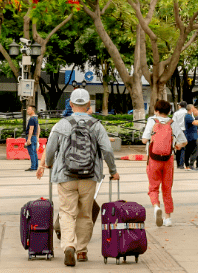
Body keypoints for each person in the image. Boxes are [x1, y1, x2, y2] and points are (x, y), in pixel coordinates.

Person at [37, 88, 118, 266]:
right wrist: (113, 171)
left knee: (67, 212)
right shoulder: (97, 125)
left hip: (65, 176)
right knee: (84, 213)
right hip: (89, 176)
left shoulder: (61, 124)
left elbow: (50, 148)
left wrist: (48, 163)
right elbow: (107, 150)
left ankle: (68, 246)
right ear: (89, 104)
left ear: (71, 104)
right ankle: (81, 251)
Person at [143, 99, 186, 226]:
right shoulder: (172, 123)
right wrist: (177, 146)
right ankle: (168, 218)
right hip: (168, 159)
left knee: (153, 187)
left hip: (153, 160)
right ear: (169, 111)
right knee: (167, 188)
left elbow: (144, 140)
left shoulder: (152, 120)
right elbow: (183, 141)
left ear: (156, 111)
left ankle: (156, 207)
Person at [171, 102, 188, 169]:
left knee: (177, 146)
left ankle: (178, 164)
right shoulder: (188, 113)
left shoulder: (176, 113)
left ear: (180, 106)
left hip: (177, 131)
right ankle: (181, 164)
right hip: (185, 130)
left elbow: (173, 122)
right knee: (183, 147)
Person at [25, 105, 40, 172]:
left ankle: (33, 167)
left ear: (32, 111)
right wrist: (37, 136)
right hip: (34, 136)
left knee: (32, 152)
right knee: (34, 152)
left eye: (29, 109)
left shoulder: (31, 119)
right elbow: (38, 128)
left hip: (31, 136)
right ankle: (36, 166)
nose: (27, 111)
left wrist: (29, 139)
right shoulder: (36, 118)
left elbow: (31, 129)